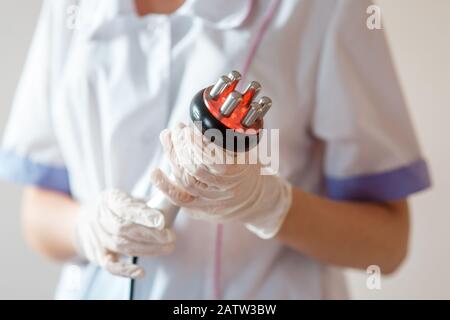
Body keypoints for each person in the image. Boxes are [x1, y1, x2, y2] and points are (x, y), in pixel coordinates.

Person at [0, 0, 431, 299]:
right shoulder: (71, 8)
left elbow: (387, 246)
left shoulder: (321, 9)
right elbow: (37, 213)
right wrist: (86, 226)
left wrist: (269, 205)